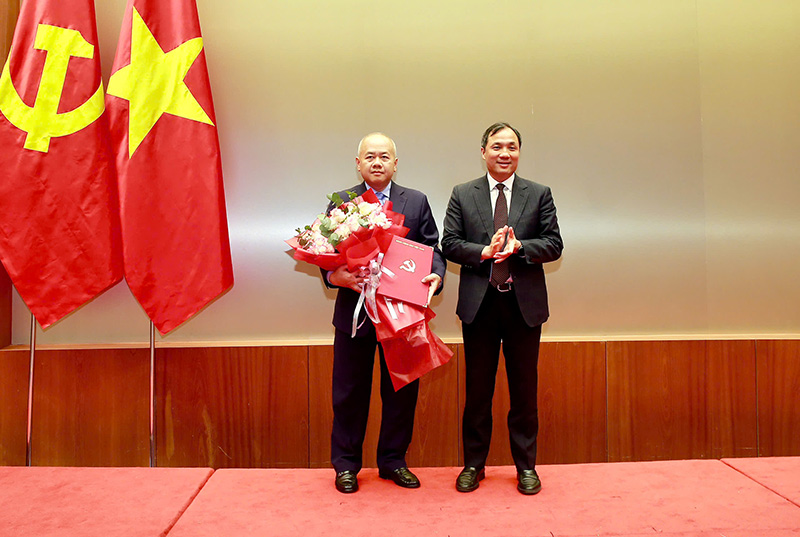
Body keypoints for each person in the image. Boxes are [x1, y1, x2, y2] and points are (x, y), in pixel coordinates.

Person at [442, 122, 563, 495]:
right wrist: (485, 252)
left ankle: (526, 467)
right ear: (484, 152)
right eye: (497, 146)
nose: (504, 153)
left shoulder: (538, 193)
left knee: (524, 392)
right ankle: (473, 465)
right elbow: (448, 243)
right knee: (478, 392)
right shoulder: (463, 193)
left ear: (519, 152)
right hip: (480, 306)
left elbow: (554, 244)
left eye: (511, 146)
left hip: (523, 307)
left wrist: (519, 248)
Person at [324, 132, 446, 493]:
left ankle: (393, 461)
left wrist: (436, 274)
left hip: (401, 315)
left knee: (401, 390)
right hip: (356, 314)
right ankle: (346, 466)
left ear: (396, 163)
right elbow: (326, 252)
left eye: (384, 157)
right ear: (358, 162)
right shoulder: (342, 201)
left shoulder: (417, 201)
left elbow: (432, 248)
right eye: (370, 157)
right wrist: (335, 275)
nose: (377, 162)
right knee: (349, 392)